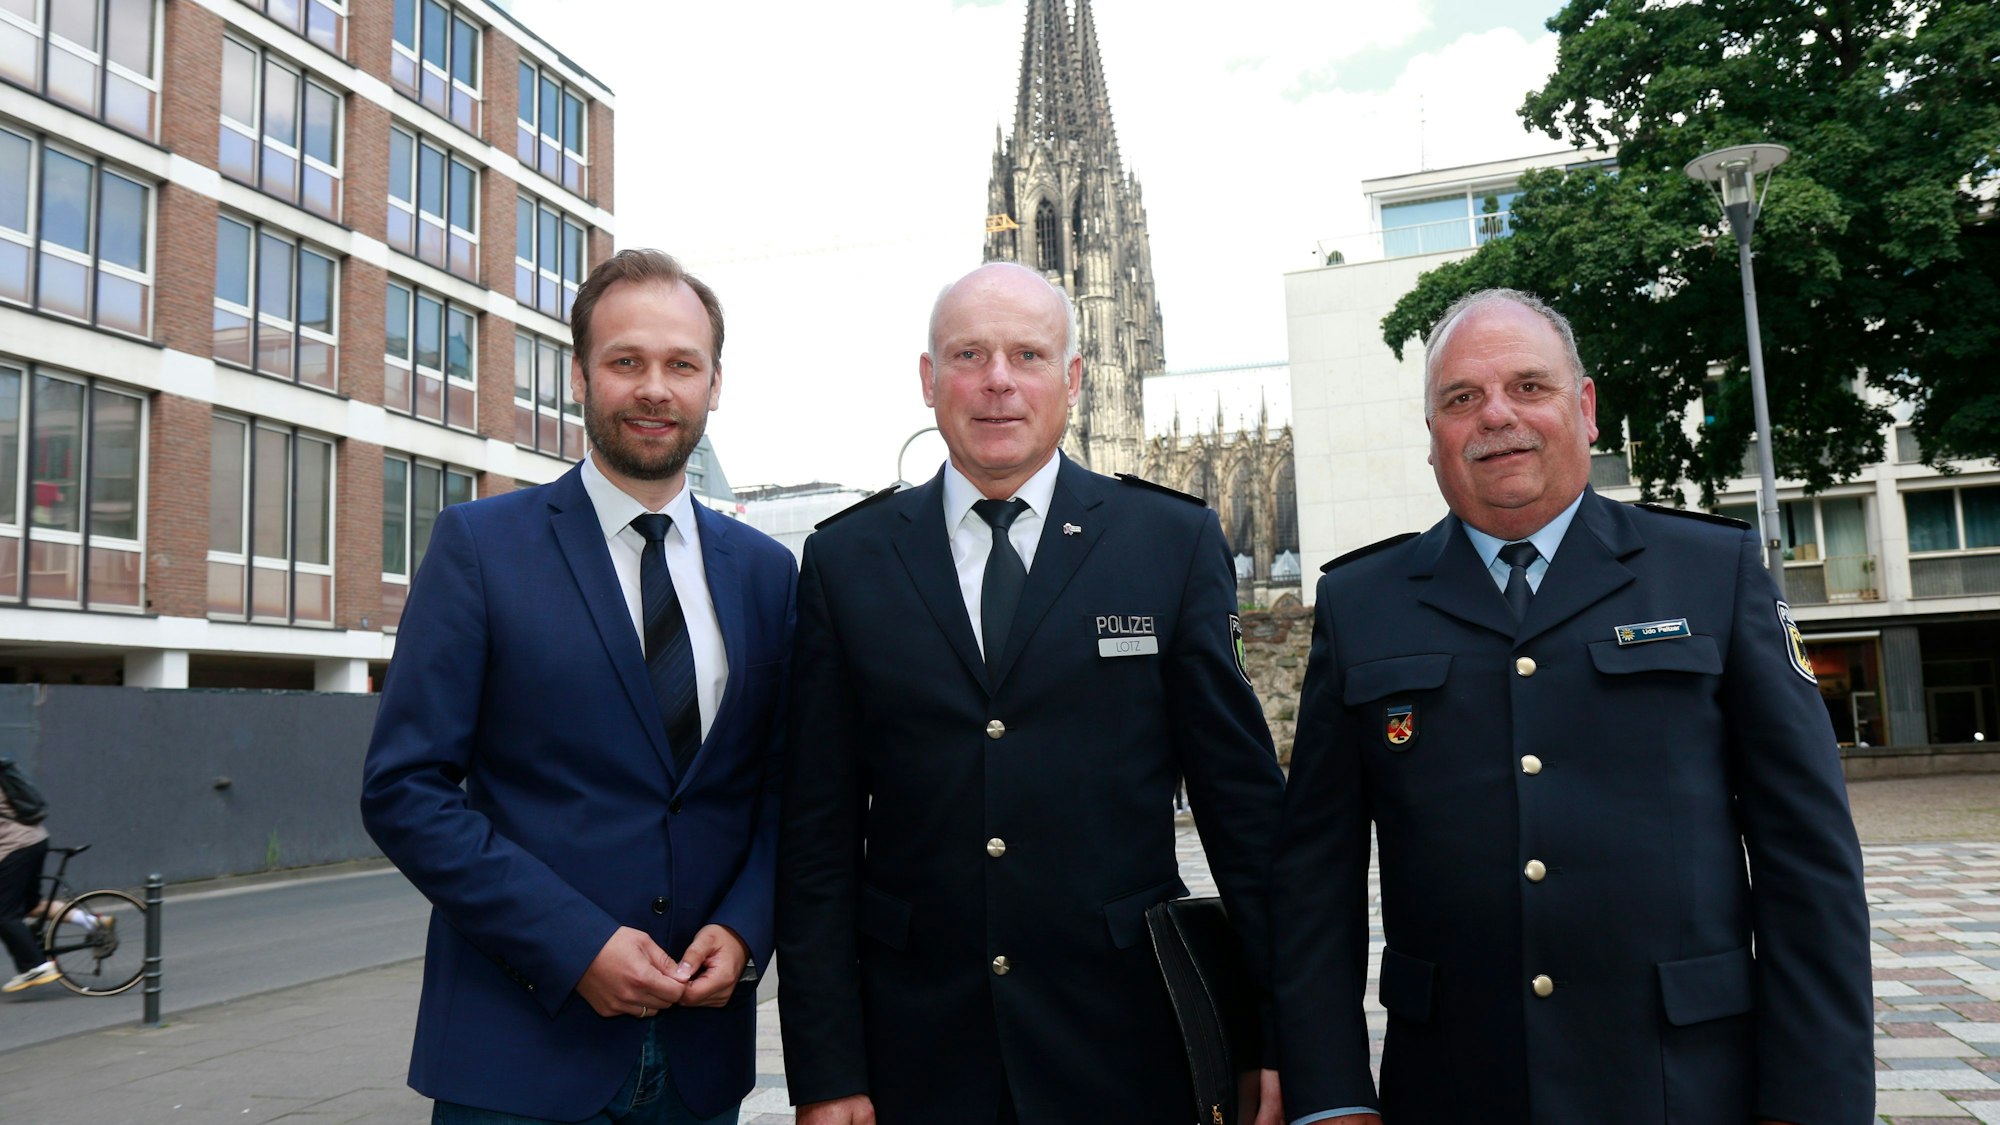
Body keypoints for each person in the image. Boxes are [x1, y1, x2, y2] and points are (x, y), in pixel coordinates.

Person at [1271, 289, 1874, 1124]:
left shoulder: (1710, 571)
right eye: (1461, 398)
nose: (1496, 417)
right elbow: (1314, 884)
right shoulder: (1361, 603)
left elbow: (1809, 867)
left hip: (1684, 1086)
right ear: (1433, 433)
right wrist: (1330, 1100)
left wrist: (1812, 1104)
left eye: (1528, 387)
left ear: (1584, 408)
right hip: (1452, 1088)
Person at [776, 261, 1287, 1125]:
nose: (998, 381)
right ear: (930, 380)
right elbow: (817, 839)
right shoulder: (846, 561)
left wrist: (1282, 1034)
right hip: (918, 1058)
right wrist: (826, 1070)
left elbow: (1245, 815)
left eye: (1028, 354)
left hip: (1128, 1046)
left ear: (1076, 378)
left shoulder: (1170, 542)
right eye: (969, 354)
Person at [361, 249, 797, 1124]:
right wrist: (575, 944)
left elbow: (785, 788)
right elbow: (404, 790)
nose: (654, 388)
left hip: (701, 1067)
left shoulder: (767, 572)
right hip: (517, 1058)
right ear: (579, 376)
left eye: (681, 364)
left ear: (716, 384)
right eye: (626, 361)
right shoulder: (479, 549)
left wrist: (750, 925)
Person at [0, 782, 54, 993]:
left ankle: (35, 965)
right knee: (29, 903)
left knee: (4, 913)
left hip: (15, 846)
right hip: (36, 838)